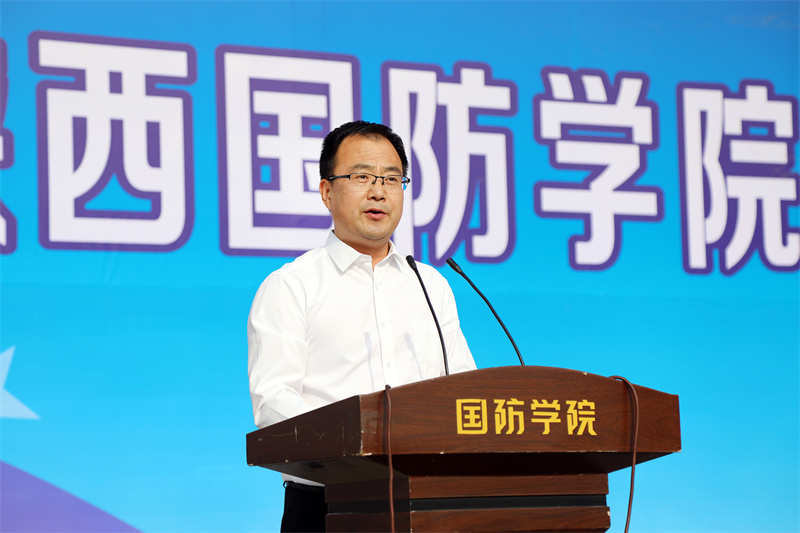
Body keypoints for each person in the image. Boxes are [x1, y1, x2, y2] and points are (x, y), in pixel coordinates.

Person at [247, 120, 476, 532]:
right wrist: (361, 441)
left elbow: (463, 390)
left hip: (428, 501)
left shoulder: (430, 285)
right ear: (327, 191)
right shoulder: (292, 286)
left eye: (391, 178)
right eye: (362, 176)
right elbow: (273, 404)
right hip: (326, 504)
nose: (378, 191)